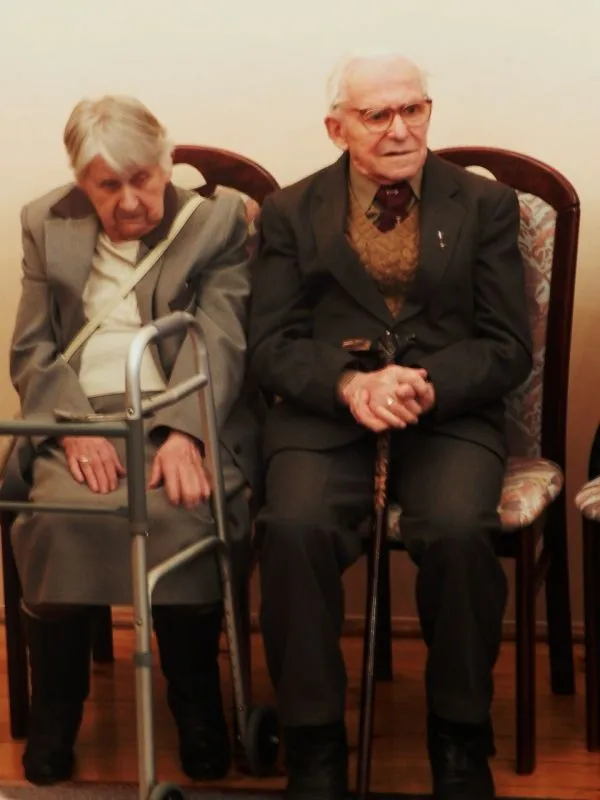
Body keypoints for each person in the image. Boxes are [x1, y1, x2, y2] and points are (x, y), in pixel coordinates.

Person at [248, 51, 532, 800]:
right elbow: (271, 345)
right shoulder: (289, 211)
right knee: (294, 529)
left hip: (446, 413)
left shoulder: (485, 205)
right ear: (337, 128)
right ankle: (314, 746)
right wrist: (349, 384)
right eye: (377, 114)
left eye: (414, 109)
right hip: (326, 414)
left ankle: (460, 739)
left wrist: (421, 386)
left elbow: (509, 346)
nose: (400, 128)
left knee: (459, 532)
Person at [4, 95, 257, 785]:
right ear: (81, 181)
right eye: (107, 185)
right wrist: (71, 429)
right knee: (58, 520)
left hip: (184, 406)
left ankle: (197, 708)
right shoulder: (44, 223)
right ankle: (58, 715)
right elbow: (32, 349)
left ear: (166, 162)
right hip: (82, 418)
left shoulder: (217, 223)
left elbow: (221, 339)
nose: (129, 201)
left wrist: (184, 434)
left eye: (142, 178)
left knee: (181, 512)